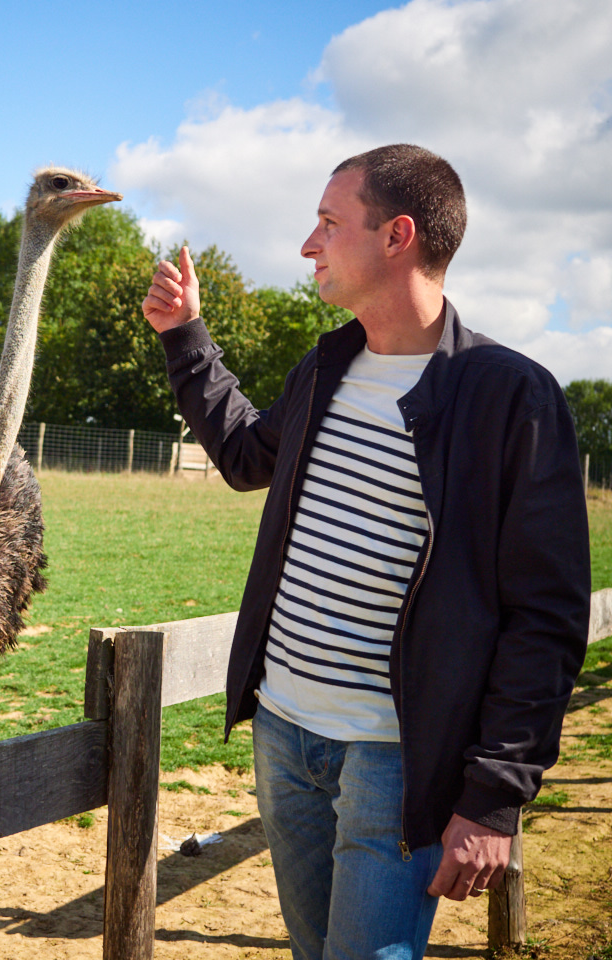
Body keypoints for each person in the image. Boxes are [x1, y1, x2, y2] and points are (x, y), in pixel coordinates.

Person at [141, 144, 590, 960]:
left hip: (396, 757)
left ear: (398, 237)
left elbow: (546, 617)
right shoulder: (329, 364)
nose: (309, 244)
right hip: (283, 730)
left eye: (327, 222)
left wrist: (492, 797)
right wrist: (186, 338)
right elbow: (247, 455)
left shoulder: (510, 394)